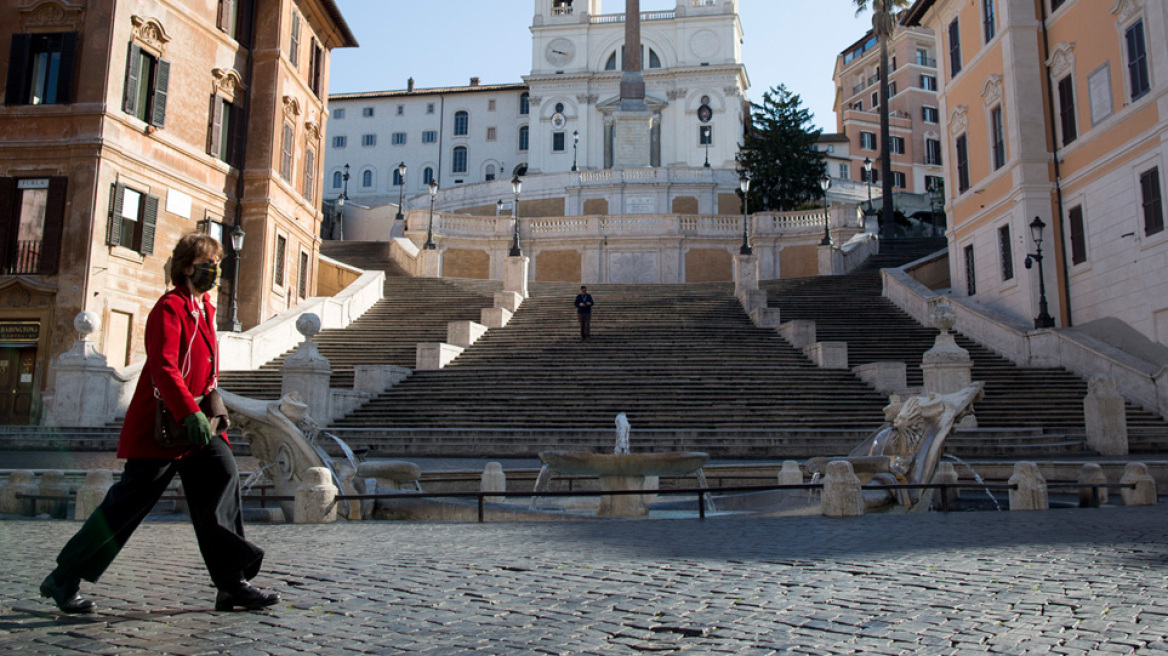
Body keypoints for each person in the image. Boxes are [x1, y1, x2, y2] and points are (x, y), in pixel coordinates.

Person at [39, 232, 279, 614]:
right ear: (186, 268)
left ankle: (232, 583)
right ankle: (64, 577)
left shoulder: (206, 309)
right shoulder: (169, 308)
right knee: (127, 505)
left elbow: (204, 368)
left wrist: (208, 410)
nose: (214, 270)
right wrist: (189, 411)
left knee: (223, 478)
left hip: (199, 424)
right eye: (206, 264)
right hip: (165, 425)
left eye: (217, 263)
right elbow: (164, 368)